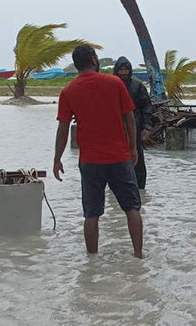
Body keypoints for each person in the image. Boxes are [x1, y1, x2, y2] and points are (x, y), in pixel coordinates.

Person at [53, 45, 143, 258]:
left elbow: (63, 129)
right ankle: (138, 254)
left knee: (91, 214)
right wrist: (133, 148)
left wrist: (57, 159)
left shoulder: (68, 91)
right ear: (94, 60)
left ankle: (92, 261)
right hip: (119, 157)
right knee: (132, 208)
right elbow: (129, 119)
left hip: (90, 161)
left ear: (77, 64)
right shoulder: (115, 83)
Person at [112, 56, 154, 190]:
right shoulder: (110, 86)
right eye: (121, 70)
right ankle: (115, 188)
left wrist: (147, 127)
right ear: (116, 71)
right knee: (114, 160)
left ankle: (140, 190)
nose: (124, 73)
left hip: (135, 127)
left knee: (137, 158)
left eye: (126, 70)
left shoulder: (138, 86)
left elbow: (147, 108)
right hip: (115, 128)